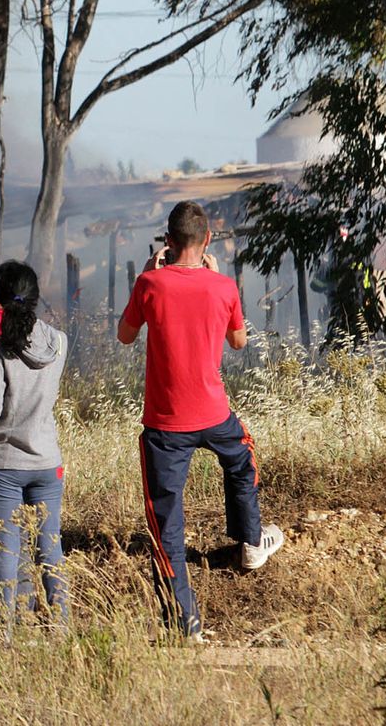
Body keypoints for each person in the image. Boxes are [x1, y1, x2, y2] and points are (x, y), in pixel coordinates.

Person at [119, 201, 284, 639]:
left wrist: (148, 275)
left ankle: (184, 622)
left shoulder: (149, 283)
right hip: (214, 414)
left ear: (167, 242)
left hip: (165, 423)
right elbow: (238, 341)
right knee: (241, 456)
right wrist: (214, 278)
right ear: (207, 240)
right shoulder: (223, 286)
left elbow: (125, 335)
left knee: (166, 520)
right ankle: (250, 540)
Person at [0, 261, 69, 625]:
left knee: (6, 551)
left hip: (4, 463)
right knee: (50, 547)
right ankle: (60, 626)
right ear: (35, 297)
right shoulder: (59, 342)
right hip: (47, 460)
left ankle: (6, 634)